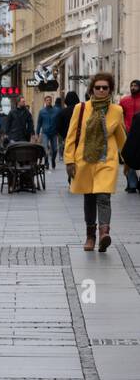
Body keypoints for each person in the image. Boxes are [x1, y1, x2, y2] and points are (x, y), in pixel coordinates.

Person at [64, 72, 127, 252]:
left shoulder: (117, 110)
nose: (101, 90)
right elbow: (70, 137)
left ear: (110, 90)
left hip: (107, 161)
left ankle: (103, 233)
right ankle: (90, 236)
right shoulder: (81, 108)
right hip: (84, 160)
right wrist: (69, 160)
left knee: (103, 196)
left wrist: (130, 159)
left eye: (104, 88)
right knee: (89, 198)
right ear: (92, 89)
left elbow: (121, 137)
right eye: (97, 87)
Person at [119, 79, 140, 192]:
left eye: (135, 85)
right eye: (131, 85)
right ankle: (132, 184)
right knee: (129, 157)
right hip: (128, 133)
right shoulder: (124, 101)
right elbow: (118, 115)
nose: (133, 87)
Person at [36, 95, 60, 168]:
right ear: (45, 101)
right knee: (45, 148)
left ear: (51, 101)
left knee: (55, 149)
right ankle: (46, 161)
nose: (48, 101)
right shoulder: (42, 111)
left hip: (54, 132)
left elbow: (59, 121)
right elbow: (39, 123)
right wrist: (37, 133)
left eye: (50, 100)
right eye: (47, 100)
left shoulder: (56, 110)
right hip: (45, 133)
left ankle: (52, 160)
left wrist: (59, 130)